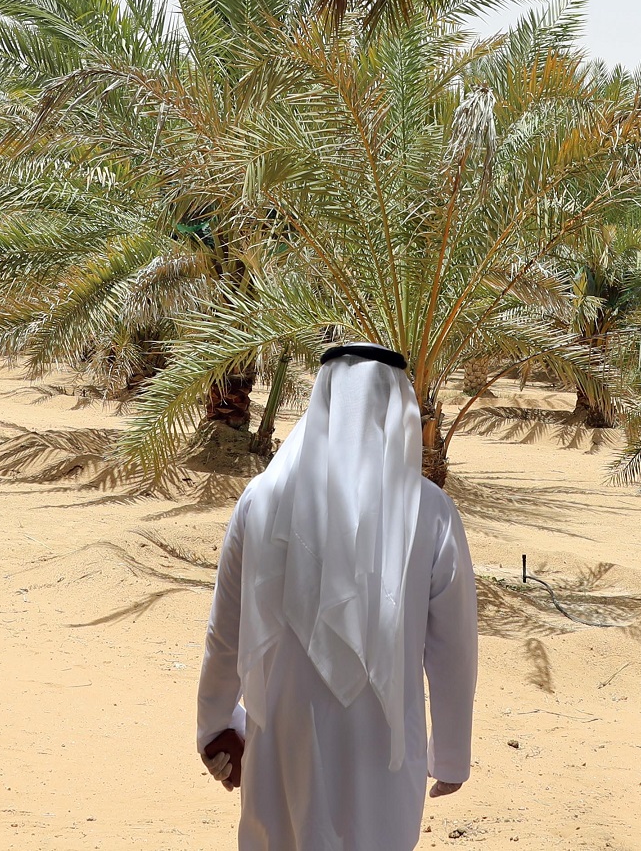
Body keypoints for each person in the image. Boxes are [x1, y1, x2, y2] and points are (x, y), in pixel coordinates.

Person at [194, 343, 478, 849]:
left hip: (284, 733)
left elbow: (226, 629)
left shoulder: (261, 498)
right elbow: (454, 649)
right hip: (384, 739)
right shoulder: (430, 511)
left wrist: (215, 723)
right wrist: (451, 753)